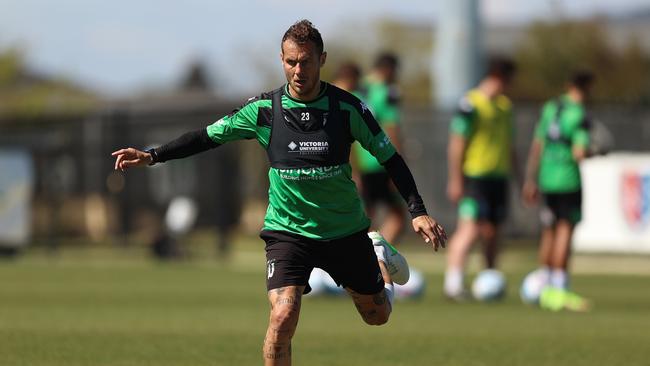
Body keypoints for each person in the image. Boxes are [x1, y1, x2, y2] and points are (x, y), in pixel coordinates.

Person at [112, 20, 447, 366]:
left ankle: (377, 253)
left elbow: (389, 157)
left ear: (322, 59)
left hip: (344, 230)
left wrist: (417, 210)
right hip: (288, 233)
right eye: (290, 61)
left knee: (378, 315)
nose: (298, 70)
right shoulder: (264, 111)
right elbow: (206, 136)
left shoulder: (347, 109)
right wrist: (152, 156)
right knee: (282, 316)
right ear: (281, 60)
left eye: (305, 61)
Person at [443, 57, 517, 301]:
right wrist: (456, 179)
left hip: (499, 178)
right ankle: (453, 283)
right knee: (470, 228)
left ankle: (489, 280)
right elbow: (457, 143)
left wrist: (517, 176)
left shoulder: (505, 107)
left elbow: (510, 145)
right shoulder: (470, 104)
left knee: (493, 232)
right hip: (474, 178)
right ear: (499, 78)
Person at [522, 71, 595, 312]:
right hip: (567, 180)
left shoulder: (551, 108)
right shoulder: (579, 114)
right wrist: (596, 151)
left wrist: (531, 179)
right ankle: (560, 289)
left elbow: (538, 144)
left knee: (548, 231)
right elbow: (580, 153)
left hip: (546, 179)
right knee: (565, 230)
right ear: (587, 88)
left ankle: (546, 287)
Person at [352, 53, 406, 244]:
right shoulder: (387, 92)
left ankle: (366, 254)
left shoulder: (357, 90)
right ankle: (378, 253)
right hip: (383, 162)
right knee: (398, 215)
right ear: (388, 69)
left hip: (361, 161)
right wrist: (398, 164)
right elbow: (392, 129)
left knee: (366, 216)